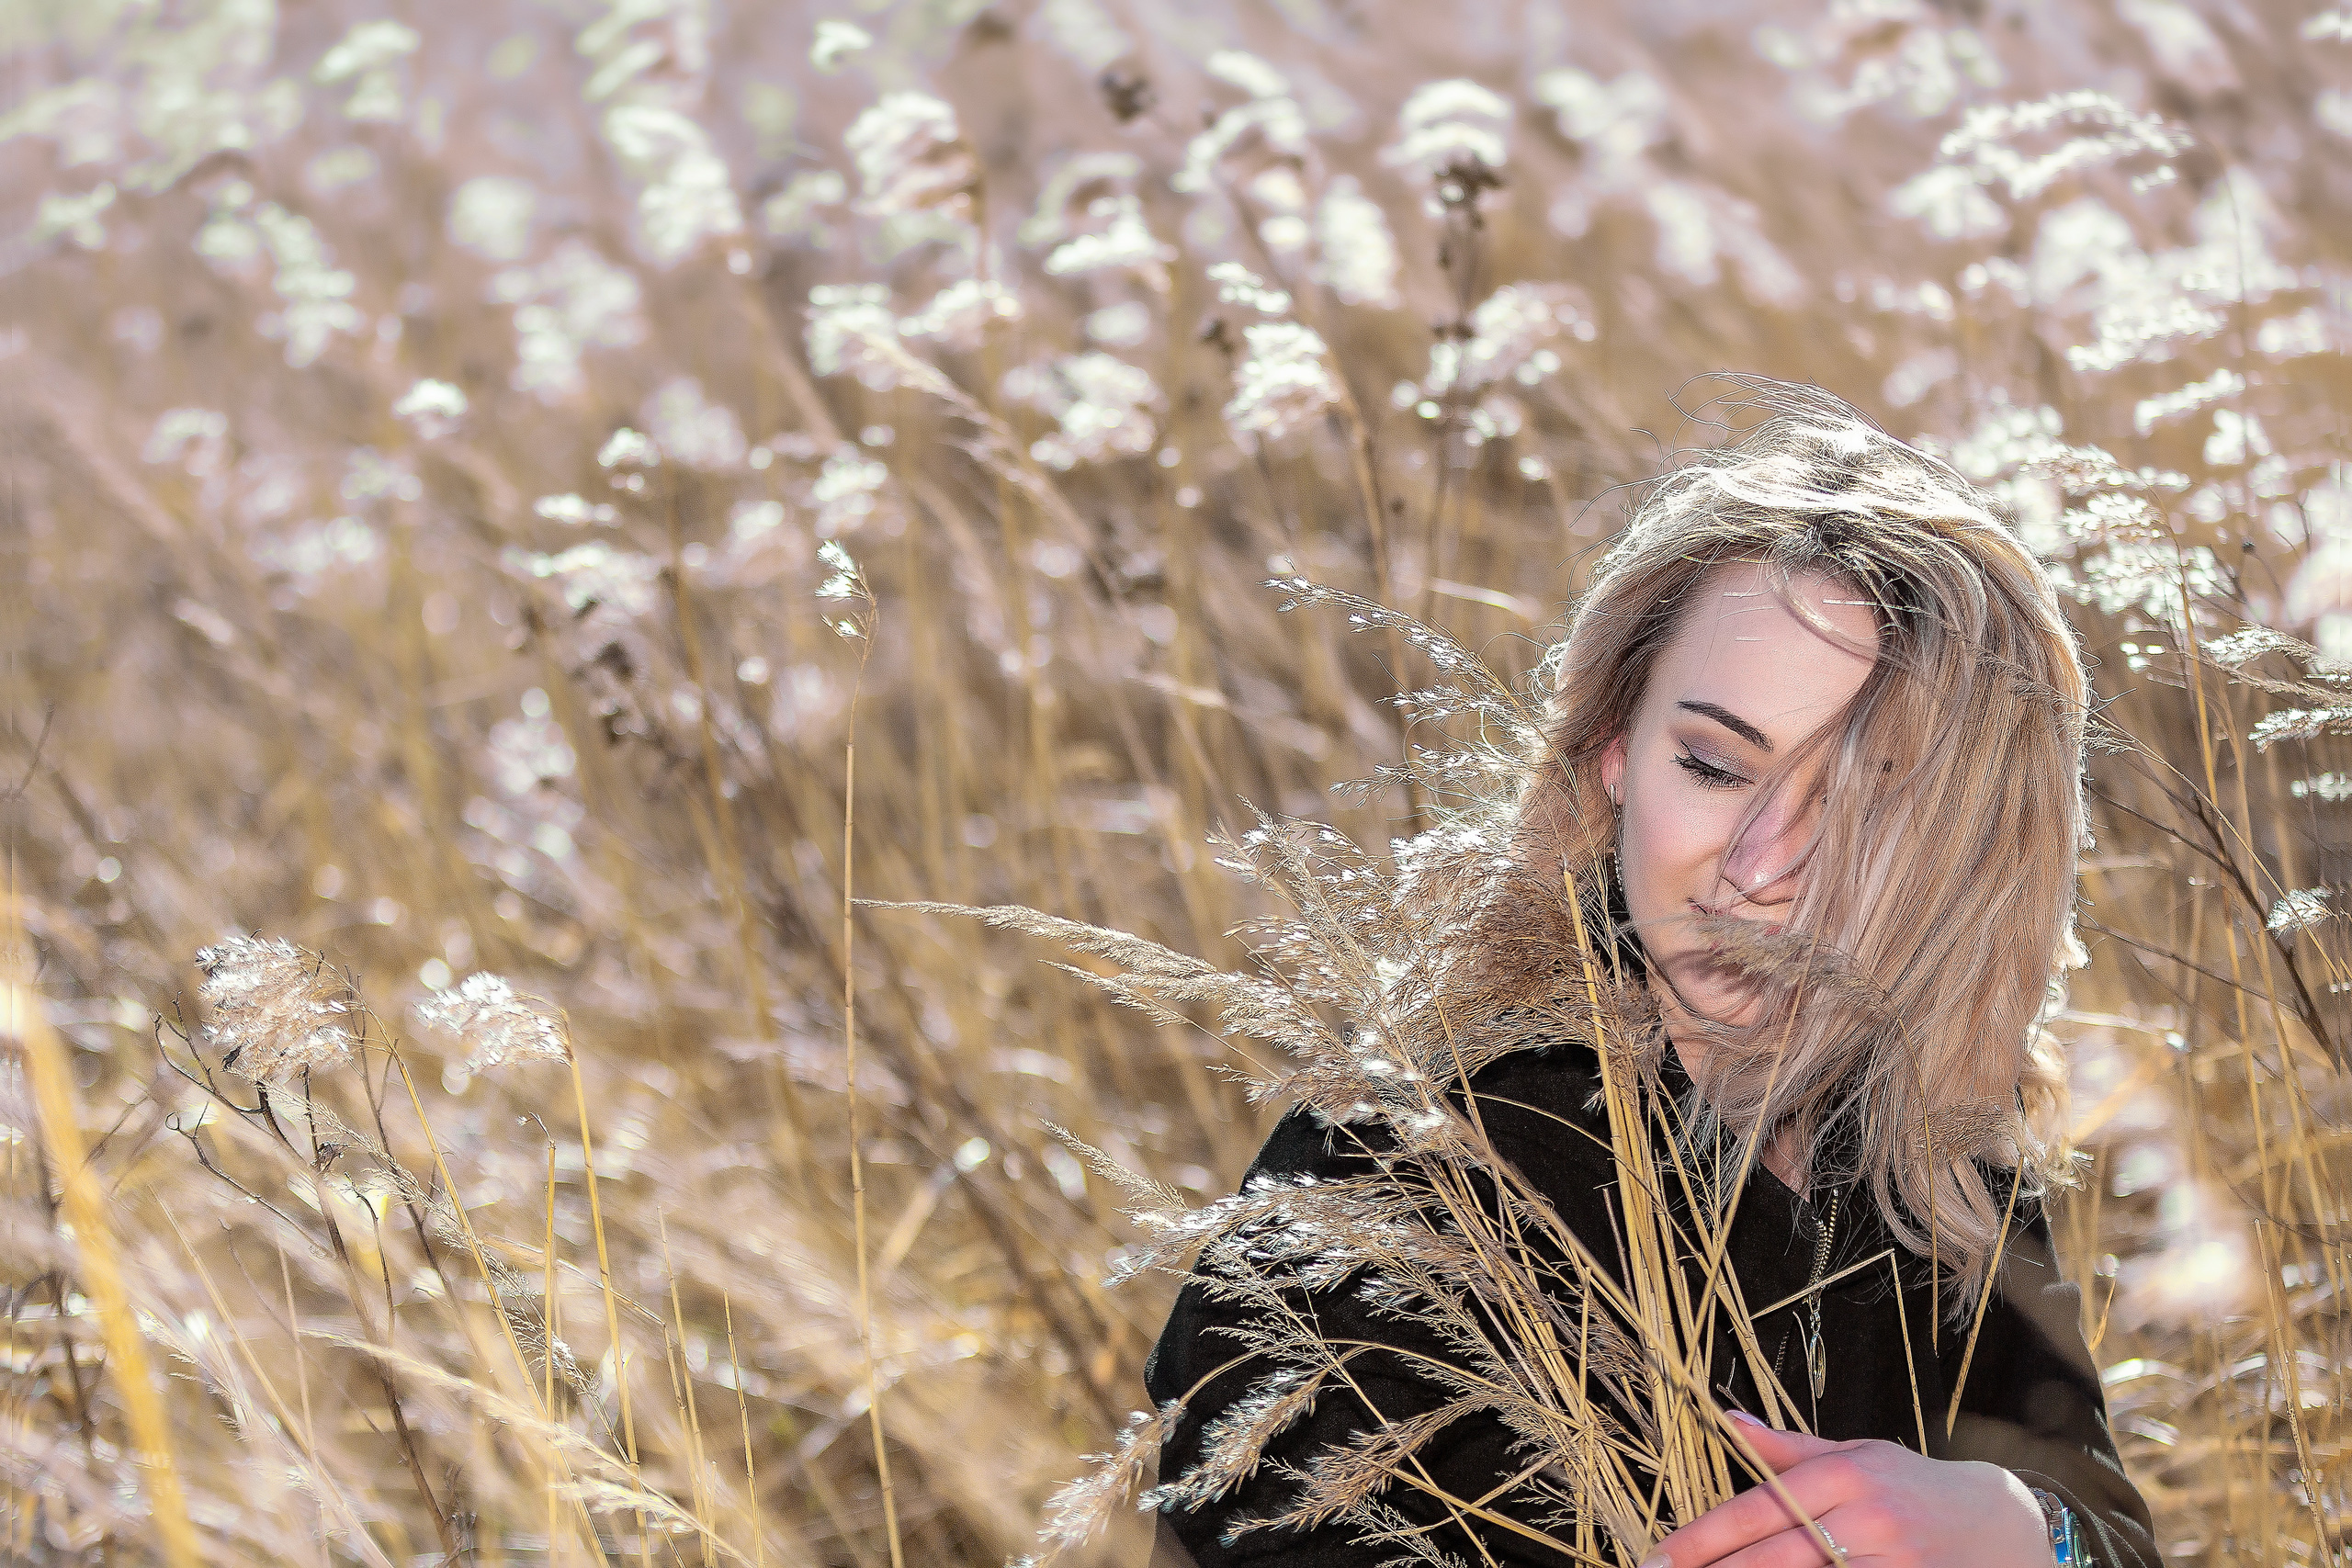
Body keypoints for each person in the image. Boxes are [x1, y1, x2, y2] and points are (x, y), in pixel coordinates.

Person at [1141, 387, 2158, 1568]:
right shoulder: (1406, 1176)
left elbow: (2113, 1530)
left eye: (1870, 808)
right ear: (1616, 754)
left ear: (1970, 850)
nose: (1763, 868)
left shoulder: (1931, 1148)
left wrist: (2032, 1537)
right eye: (1716, 765)